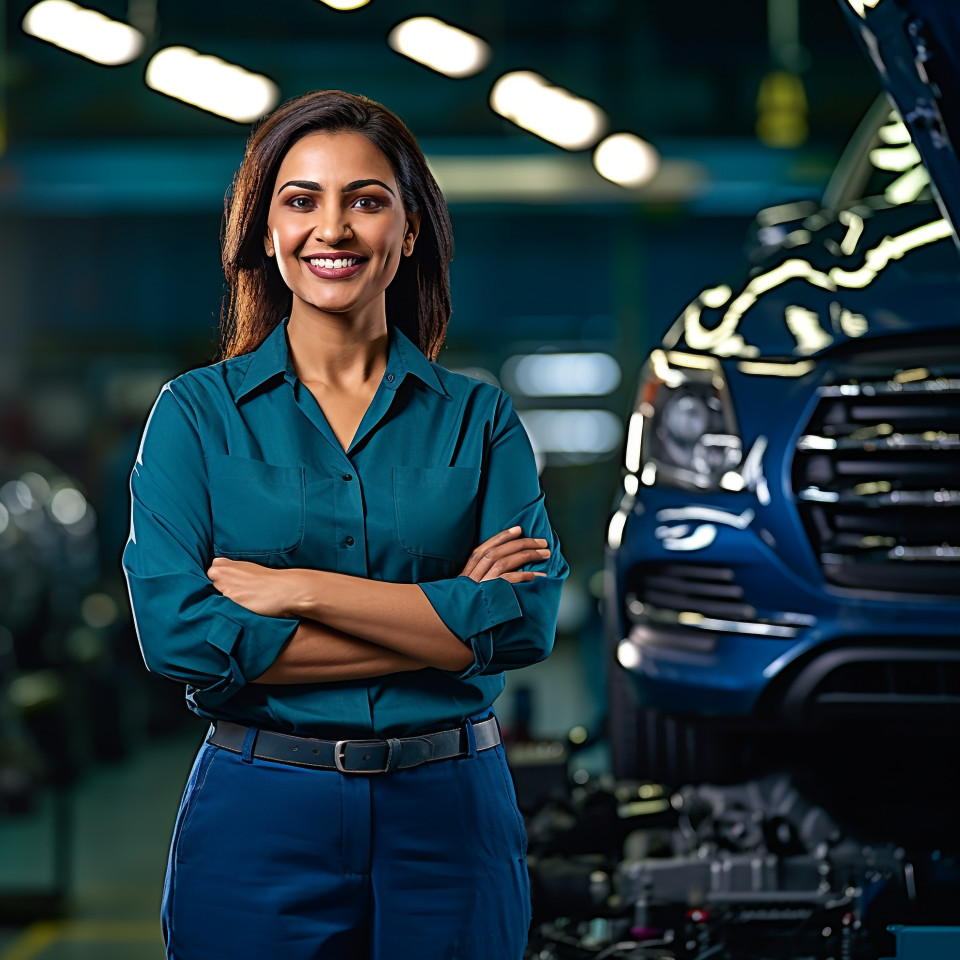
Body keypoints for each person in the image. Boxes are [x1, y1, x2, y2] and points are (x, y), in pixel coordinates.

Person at [121, 89, 568, 960]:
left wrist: (301, 592)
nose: (333, 228)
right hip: (258, 813)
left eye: (366, 200)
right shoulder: (196, 416)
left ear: (410, 231)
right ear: (265, 233)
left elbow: (523, 620)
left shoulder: (479, 420)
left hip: (450, 818)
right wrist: (448, 624)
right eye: (302, 200)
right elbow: (180, 637)